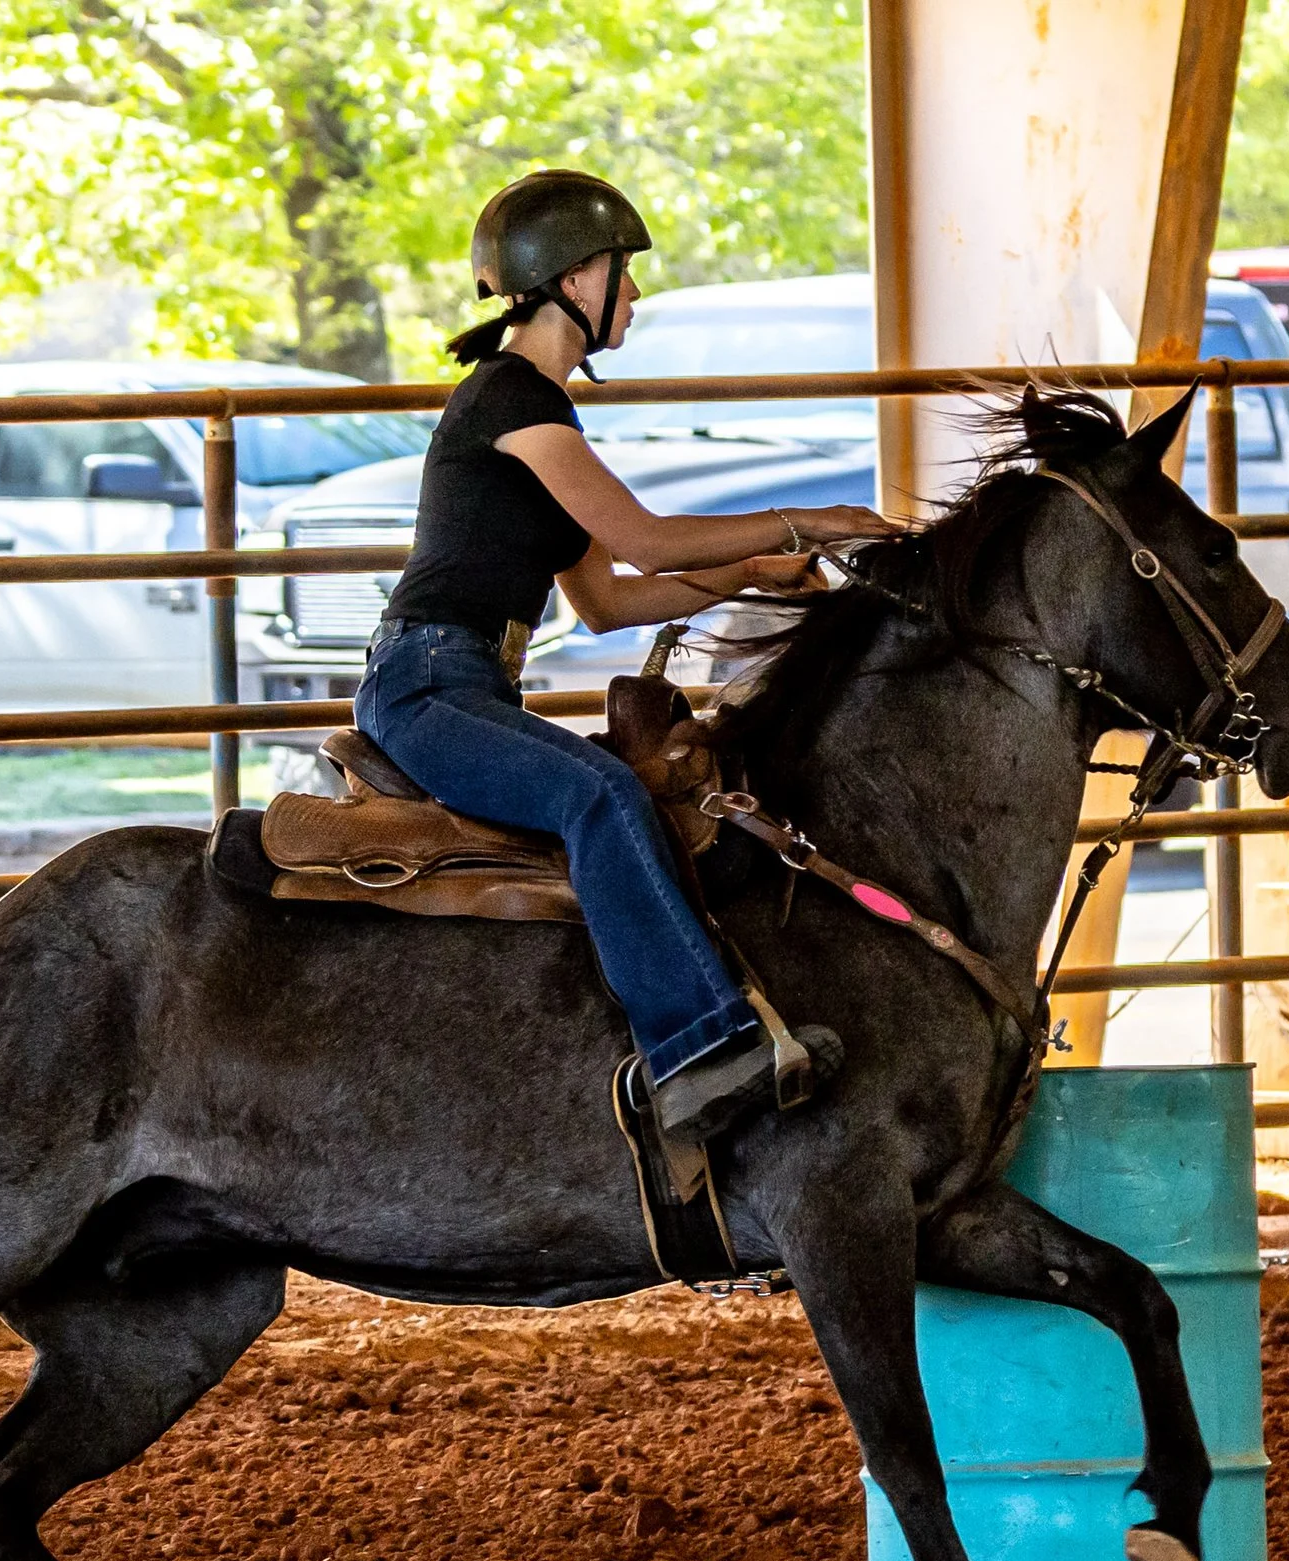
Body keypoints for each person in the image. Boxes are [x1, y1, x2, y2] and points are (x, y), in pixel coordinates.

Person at [354, 169, 899, 1144]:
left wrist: (750, 575)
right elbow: (644, 542)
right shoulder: (517, 403)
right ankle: (697, 1051)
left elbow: (608, 599)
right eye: (623, 273)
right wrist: (804, 517)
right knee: (598, 796)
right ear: (570, 279)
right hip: (429, 684)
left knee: (620, 796)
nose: (635, 296)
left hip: (456, 681)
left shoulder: (523, 411)